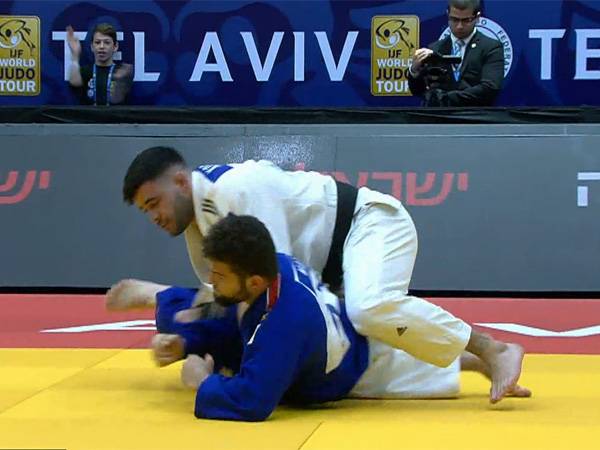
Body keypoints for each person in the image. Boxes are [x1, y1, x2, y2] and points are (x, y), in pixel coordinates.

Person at [113, 146, 525, 404]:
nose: (154, 216)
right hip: (323, 271)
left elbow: (271, 283)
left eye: (155, 202)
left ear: (181, 182)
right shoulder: (198, 222)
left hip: (367, 224)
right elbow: (225, 294)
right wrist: (188, 338)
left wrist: (222, 379)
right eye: (146, 210)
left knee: (367, 309)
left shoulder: (236, 189)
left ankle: (493, 349)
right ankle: (473, 362)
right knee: (344, 365)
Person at [108, 214, 531, 421]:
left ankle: (484, 357)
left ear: (254, 280)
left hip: (344, 367)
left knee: (401, 370)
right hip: (335, 330)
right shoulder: (272, 264)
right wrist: (186, 343)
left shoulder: (279, 326)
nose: (211, 280)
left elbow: (253, 402)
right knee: (217, 307)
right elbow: (232, 311)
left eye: (218, 272)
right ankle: (164, 302)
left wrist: (202, 383)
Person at [407, 0, 504, 106]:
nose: (459, 26)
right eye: (454, 19)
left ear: (477, 17)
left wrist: (446, 99)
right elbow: (419, 91)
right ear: (448, 15)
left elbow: (490, 88)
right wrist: (414, 71)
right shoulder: (435, 48)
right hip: (441, 115)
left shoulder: (491, 47)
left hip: (476, 114)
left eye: (466, 20)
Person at [66, 23, 133, 105]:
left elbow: (118, 99)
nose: (101, 46)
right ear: (92, 46)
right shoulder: (86, 71)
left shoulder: (120, 72)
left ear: (115, 46)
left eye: (107, 43)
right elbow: (74, 82)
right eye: (97, 42)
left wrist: (119, 82)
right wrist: (75, 56)